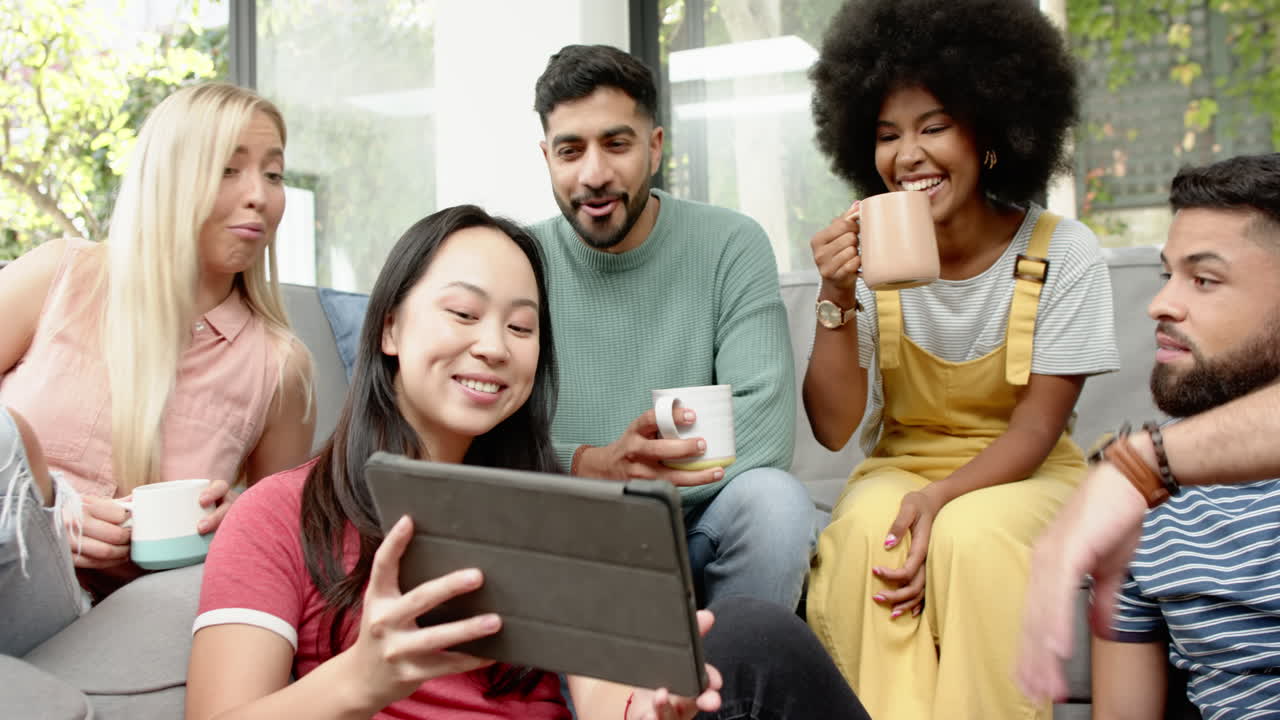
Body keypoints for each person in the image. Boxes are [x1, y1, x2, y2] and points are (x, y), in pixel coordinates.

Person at [186, 204, 872, 720]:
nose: (494, 346)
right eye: (462, 314)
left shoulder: (557, 517)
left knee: (751, 637)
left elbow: (608, 698)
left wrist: (649, 706)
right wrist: (361, 678)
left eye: (520, 327)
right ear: (390, 326)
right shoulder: (279, 515)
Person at [800, 0, 1121, 717]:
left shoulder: (1061, 251)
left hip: (1025, 469)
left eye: (934, 126)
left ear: (991, 133)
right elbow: (833, 428)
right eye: (886, 136)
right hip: (901, 462)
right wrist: (834, 294)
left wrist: (938, 502)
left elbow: (1037, 431)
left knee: (970, 540)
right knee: (864, 534)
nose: (907, 155)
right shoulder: (871, 260)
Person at [0, 82, 314, 656]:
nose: (260, 197)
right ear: (169, 176)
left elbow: (284, 546)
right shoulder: (62, 276)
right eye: (228, 169)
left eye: (273, 174)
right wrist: (53, 504)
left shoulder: (279, 366)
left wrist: (234, 525)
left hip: (104, 618)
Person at [528, 44, 813, 611]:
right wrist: (587, 464)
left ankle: (736, 693)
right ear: (547, 157)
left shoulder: (730, 243)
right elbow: (485, 436)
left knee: (776, 503)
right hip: (569, 530)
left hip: (696, 528)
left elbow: (764, 429)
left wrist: (630, 480)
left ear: (654, 148)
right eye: (570, 150)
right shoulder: (518, 259)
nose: (595, 174)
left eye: (616, 144)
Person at [1019, 154, 1280, 720]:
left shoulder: (1143, 471)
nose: (1160, 304)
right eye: (1168, 275)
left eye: (1204, 279)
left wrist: (1143, 466)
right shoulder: (1147, 505)